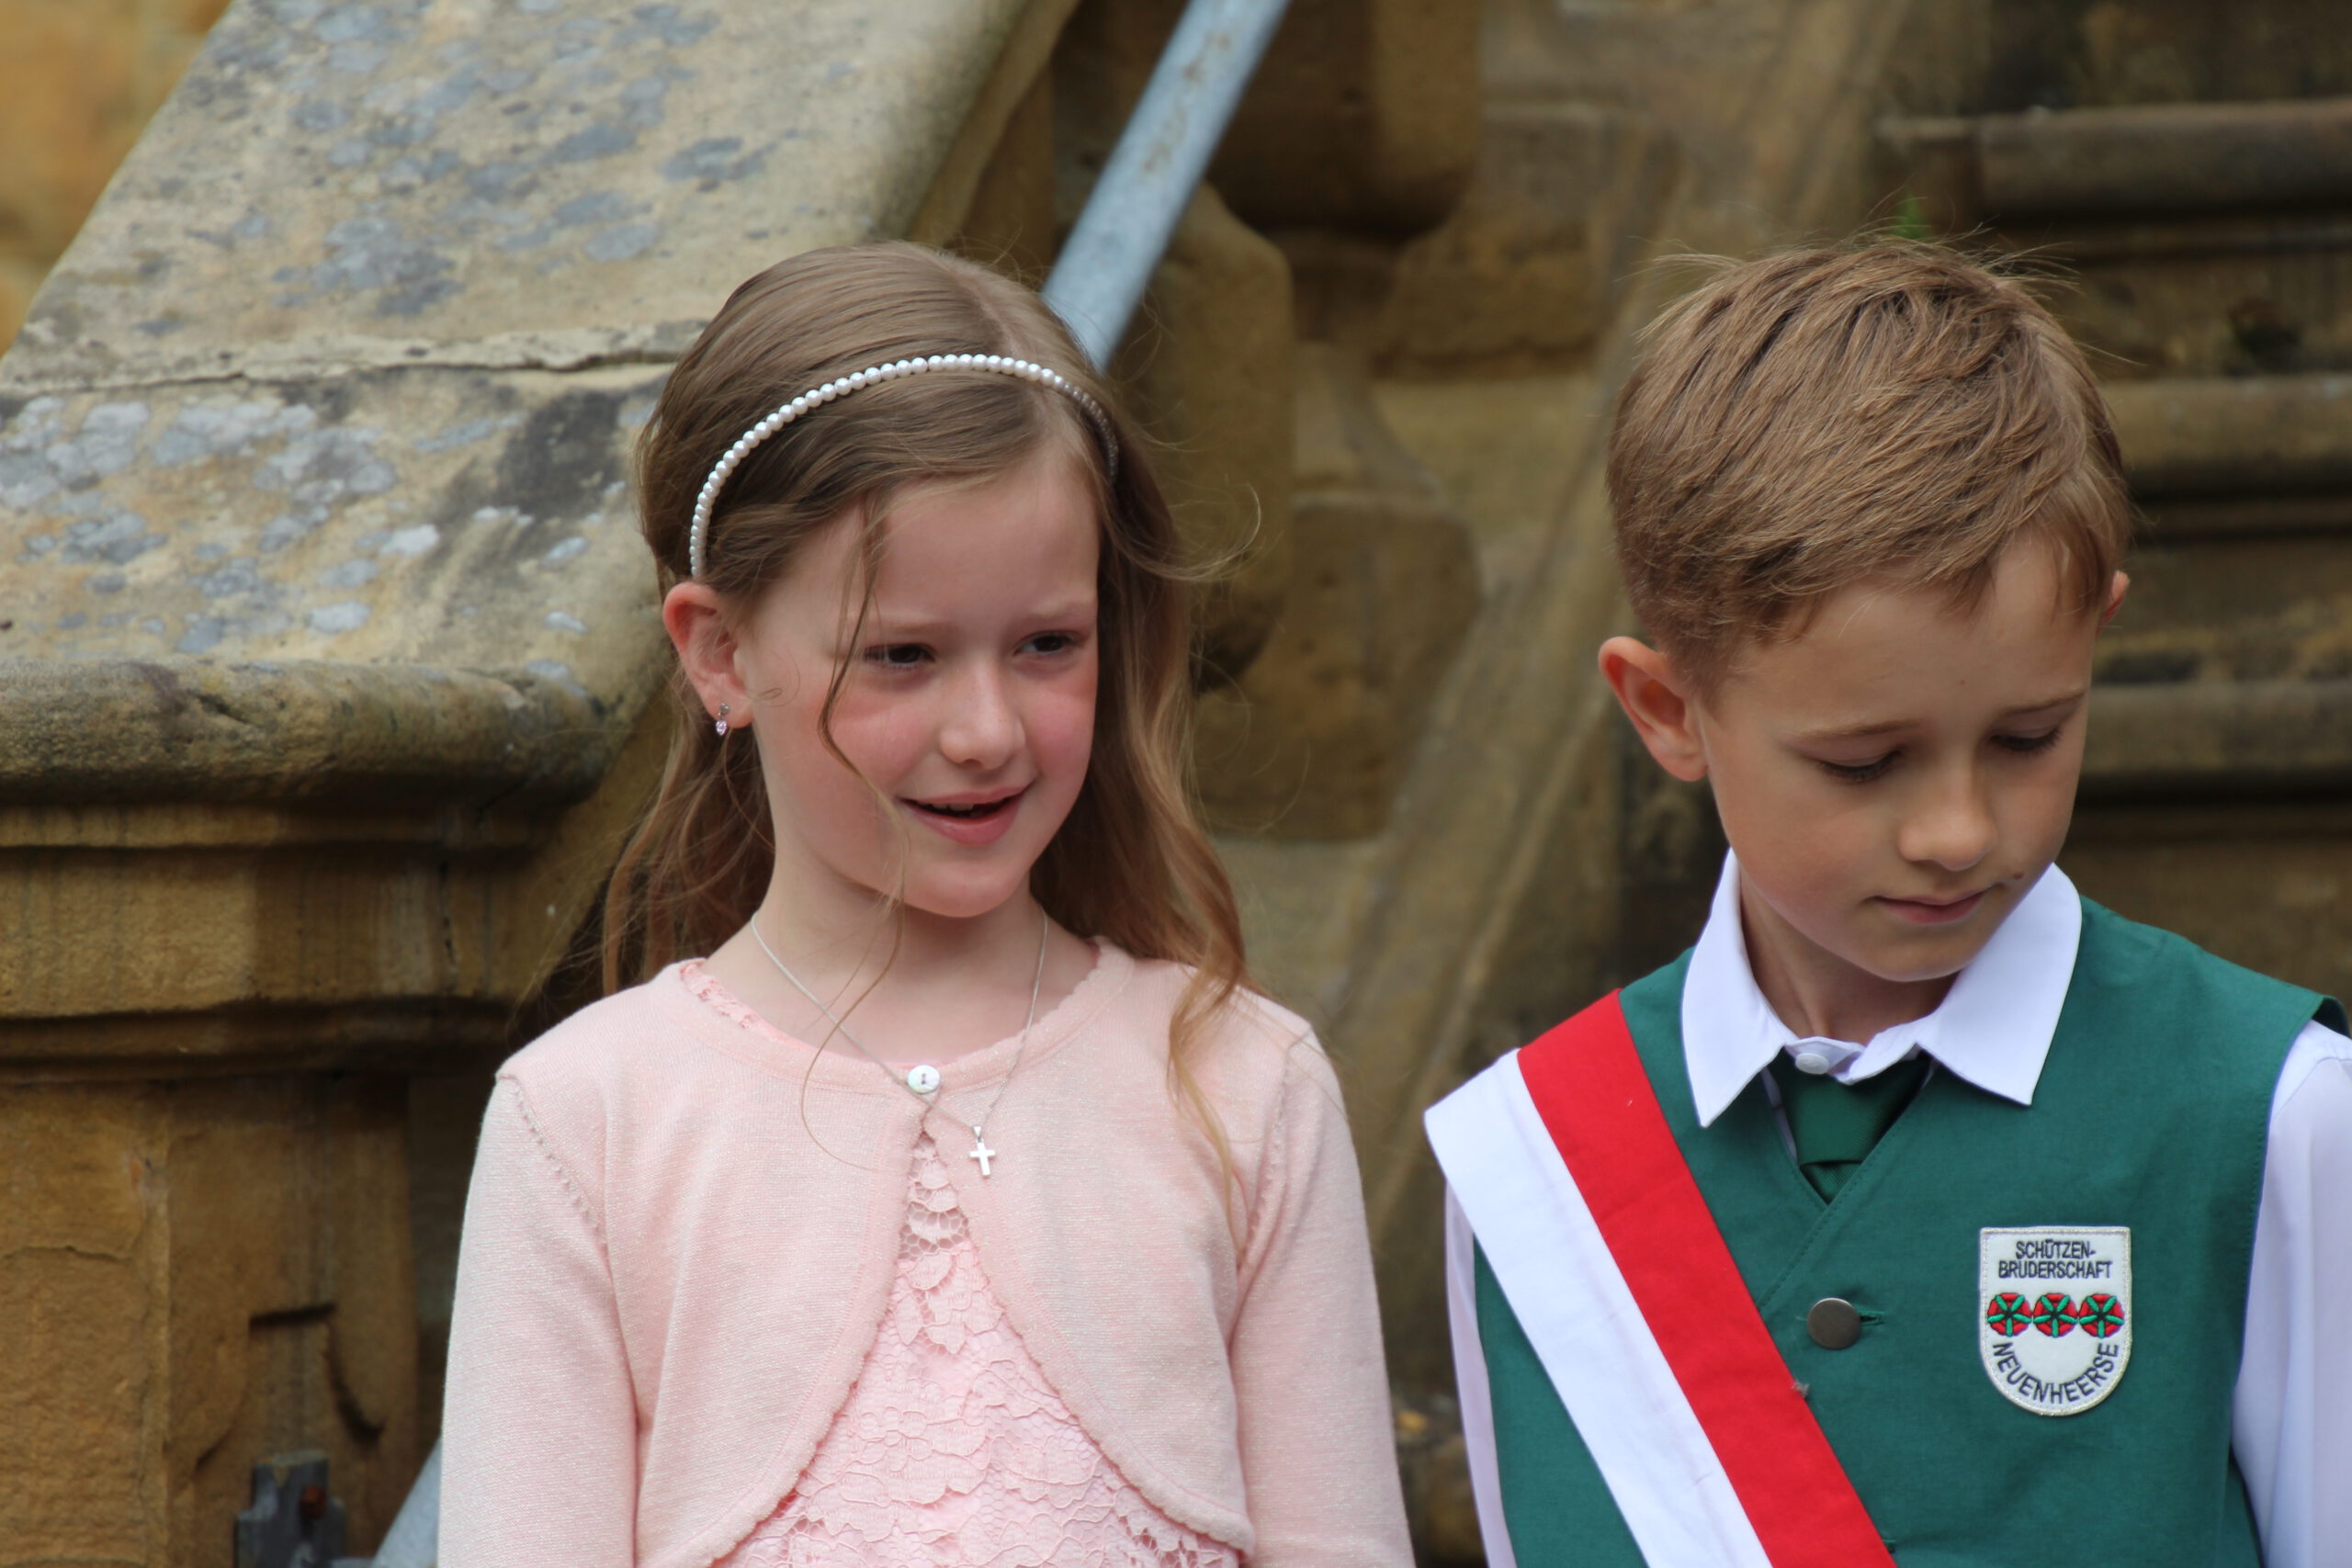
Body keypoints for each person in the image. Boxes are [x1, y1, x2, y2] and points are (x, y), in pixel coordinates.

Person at [441, 243, 1411, 1568]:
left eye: (1049, 644)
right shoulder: (586, 1123)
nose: (987, 731)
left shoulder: (1242, 1086)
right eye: (902, 655)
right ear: (720, 651)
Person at [1425, 245, 2351, 1568]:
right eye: (1865, 763)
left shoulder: (2275, 1115)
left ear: (2096, 633)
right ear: (1668, 710)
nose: (1959, 832)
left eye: (2029, 737)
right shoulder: (1526, 1161)